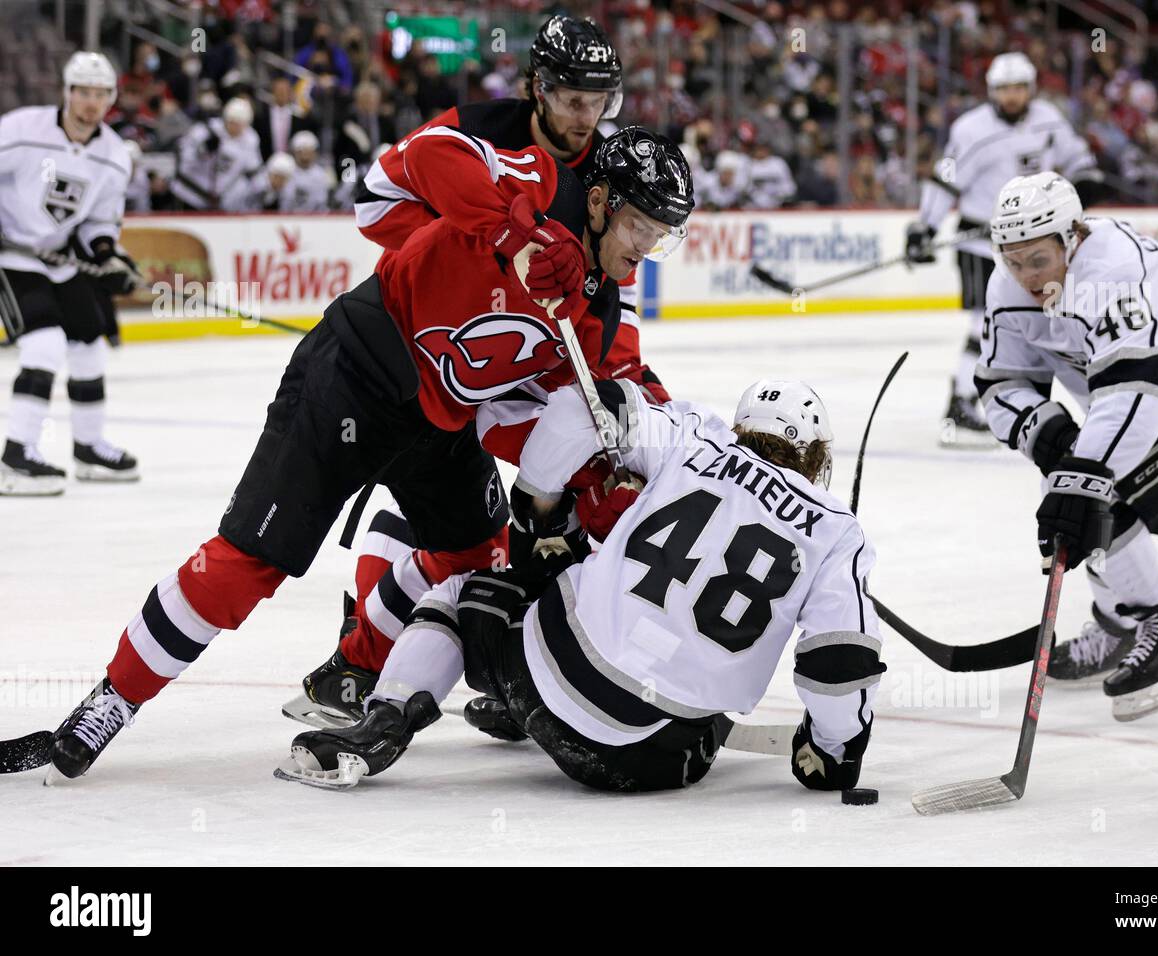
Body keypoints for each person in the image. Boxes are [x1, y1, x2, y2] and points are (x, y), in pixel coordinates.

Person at [44, 125, 695, 780]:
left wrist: (607, 475)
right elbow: (420, 156)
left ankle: (355, 669)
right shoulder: (543, 185)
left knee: (482, 557)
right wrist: (513, 229)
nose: (646, 248)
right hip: (354, 374)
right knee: (251, 563)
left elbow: (552, 415)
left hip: (439, 422)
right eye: (640, 225)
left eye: (660, 236)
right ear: (599, 200)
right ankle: (112, 700)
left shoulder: (596, 308)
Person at [287, 15, 669, 740]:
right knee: (490, 533)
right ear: (538, 88)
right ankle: (375, 660)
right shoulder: (485, 134)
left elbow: (605, 313)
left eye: (602, 100)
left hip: (501, 365)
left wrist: (631, 385)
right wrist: (478, 262)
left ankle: (375, 656)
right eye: (572, 99)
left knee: (474, 525)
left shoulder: (603, 178)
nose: (587, 118)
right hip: (443, 358)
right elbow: (380, 201)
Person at [280, 378, 886, 794]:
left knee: (469, 586)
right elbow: (838, 663)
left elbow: (582, 407)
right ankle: (520, 715)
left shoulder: (695, 439)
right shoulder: (837, 531)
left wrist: (535, 503)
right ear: (814, 456)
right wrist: (835, 752)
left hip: (544, 682)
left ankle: (384, 724)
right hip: (659, 759)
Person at [977, 172, 1158, 720]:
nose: (1024, 278)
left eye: (1037, 260)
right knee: (1075, 490)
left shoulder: (1119, 266)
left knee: (1092, 495)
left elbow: (1138, 390)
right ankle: (1120, 626)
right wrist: (1052, 437)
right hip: (1140, 402)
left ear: (1074, 236)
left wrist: (1083, 474)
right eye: (1012, 261)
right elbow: (1001, 384)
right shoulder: (1006, 282)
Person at [908, 52, 1102, 448]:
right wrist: (924, 226)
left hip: (1036, 242)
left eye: (1018, 88)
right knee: (986, 320)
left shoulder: (1048, 118)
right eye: (1004, 89)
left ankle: (1033, 395)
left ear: (1030, 89)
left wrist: (1084, 182)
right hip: (982, 241)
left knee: (1041, 319)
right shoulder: (970, 129)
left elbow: (1078, 158)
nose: (1012, 97)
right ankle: (961, 402)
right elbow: (945, 181)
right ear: (991, 91)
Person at [0, 51, 142, 495]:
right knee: (44, 343)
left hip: (58, 258)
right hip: (10, 254)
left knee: (88, 345)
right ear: (67, 92)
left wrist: (106, 255)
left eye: (101, 94)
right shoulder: (22, 129)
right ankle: (17, 455)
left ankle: (88, 447)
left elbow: (100, 220)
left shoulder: (114, 156)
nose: (90, 103)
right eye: (83, 92)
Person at [170, 96, 261, 211]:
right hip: (189, 195)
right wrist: (203, 150)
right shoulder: (206, 130)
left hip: (217, 203)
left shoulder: (250, 140)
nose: (235, 127)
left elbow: (252, 171)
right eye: (232, 122)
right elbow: (183, 159)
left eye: (240, 124)